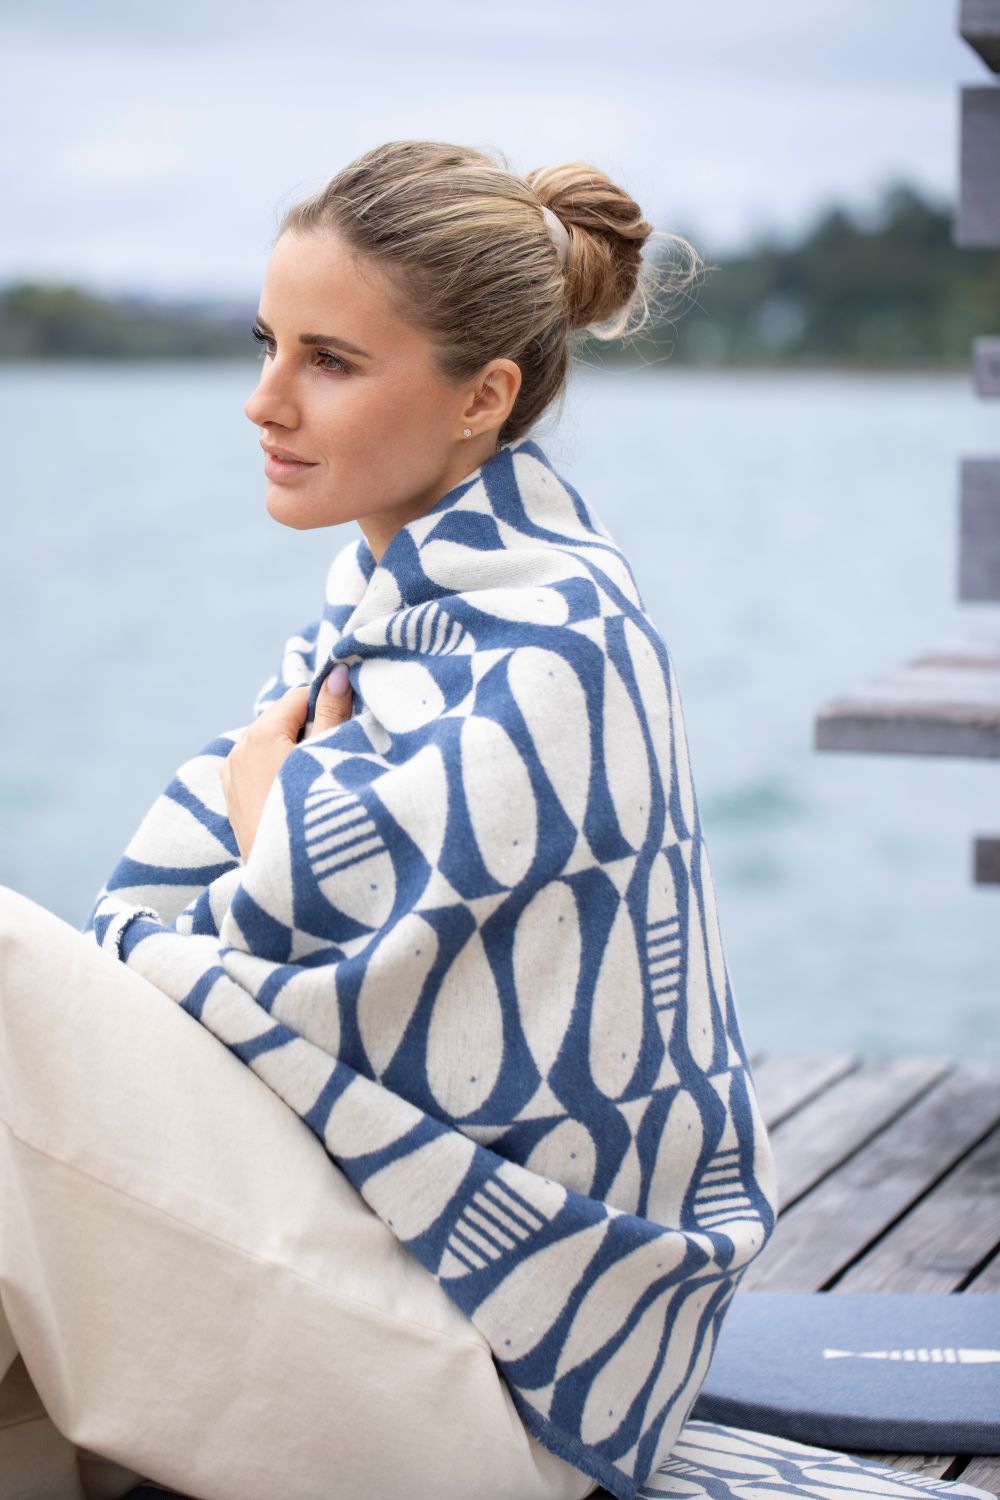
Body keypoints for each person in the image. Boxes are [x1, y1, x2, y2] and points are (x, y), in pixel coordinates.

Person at [0, 140, 777, 1500]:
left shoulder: (559, 647)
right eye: (267, 344)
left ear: (483, 396)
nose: (265, 401)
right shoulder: (399, 617)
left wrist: (269, 811)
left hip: (510, 1368)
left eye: (331, 361)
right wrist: (274, 827)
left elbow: (361, 992)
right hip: (401, 1261)